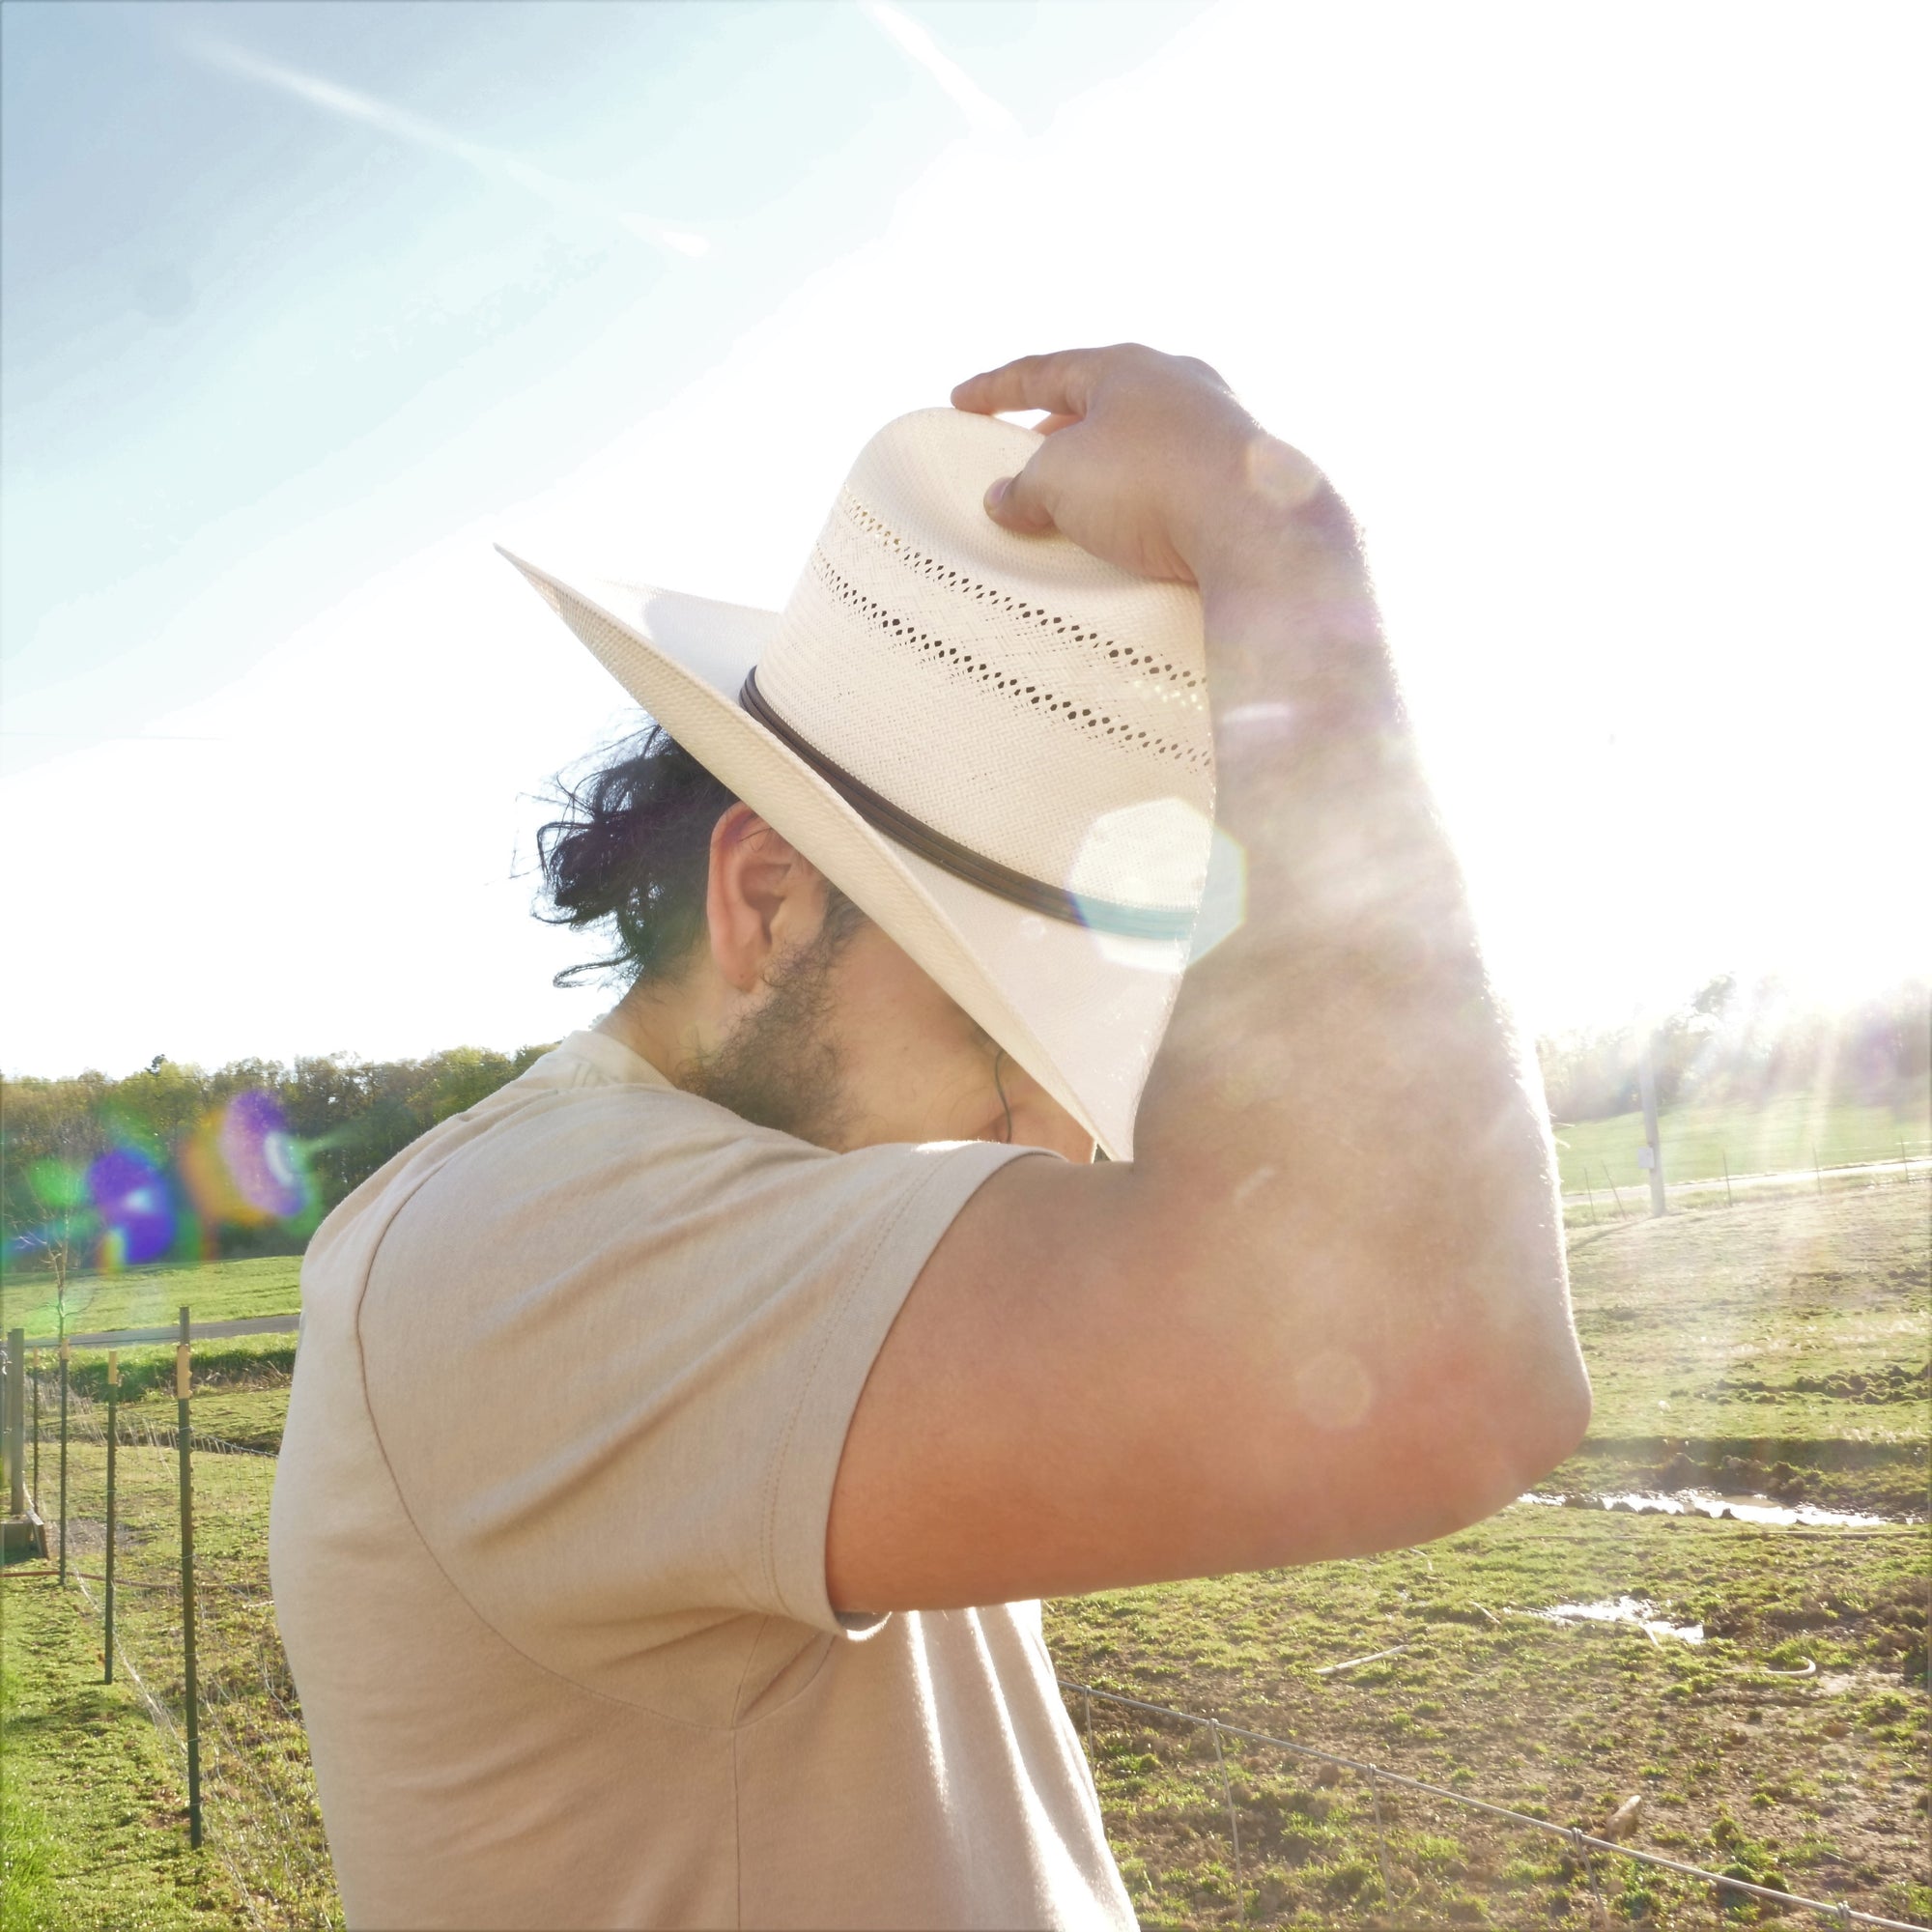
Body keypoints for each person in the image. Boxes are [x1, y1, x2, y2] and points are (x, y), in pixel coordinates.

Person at [270, 344, 1589, 1930]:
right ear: (763, 898)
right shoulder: (534, 1244)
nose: (1054, 1130)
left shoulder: (732, 1223)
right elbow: (1435, 1368)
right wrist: (1277, 551)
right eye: (997, 1028)